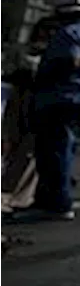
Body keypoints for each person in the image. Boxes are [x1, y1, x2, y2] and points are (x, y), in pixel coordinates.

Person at [26, 0, 80, 221]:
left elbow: (71, 61)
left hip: (66, 97)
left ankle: (57, 204)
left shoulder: (70, 32)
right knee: (65, 151)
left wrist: (40, 78)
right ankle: (50, 200)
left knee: (54, 152)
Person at [0, 62, 39, 214]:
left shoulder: (20, 95)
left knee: (18, 165)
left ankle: (12, 197)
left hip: (22, 136)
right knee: (22, 165)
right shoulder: (30, 96)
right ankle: (15, 198)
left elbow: (12, 122)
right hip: (26, 137)